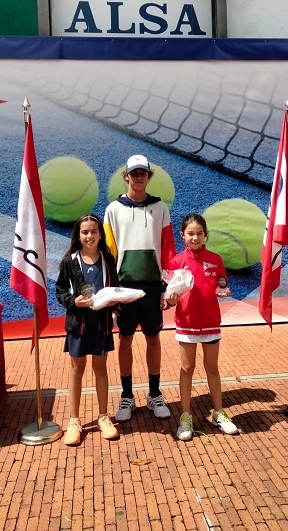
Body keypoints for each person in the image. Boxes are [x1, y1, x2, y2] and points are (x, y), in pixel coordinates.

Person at [104, 154, 176, 422]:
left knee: (153, 339)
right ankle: (127, 396)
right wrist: (112, 292)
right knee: (124, 339)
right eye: (133, 173)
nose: (138, 177)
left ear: (149, 176)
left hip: (153, 288)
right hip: (124, 289)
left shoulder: (160, 208)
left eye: (142, 172)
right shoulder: (112, 210)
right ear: (126, 176)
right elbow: (109, 253)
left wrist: (169, 288)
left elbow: (168, 249)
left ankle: (155, 393)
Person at [165, 213, 239, 441]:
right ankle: (185, 416)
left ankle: (219, 413)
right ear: (182, 236)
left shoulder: (215, 259)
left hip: (209, 322)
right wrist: (171, 300)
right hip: (186, 323)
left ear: (205, 234)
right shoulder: (176, 262)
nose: (195, 238)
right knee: (187, 368)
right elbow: (169, 300)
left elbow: (221, 285)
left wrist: (223, 292)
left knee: (212, 368)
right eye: (190, 234)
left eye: (199, 233)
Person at [56, 214, 120, 445]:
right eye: (85, 232)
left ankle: (104, 416)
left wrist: (115, 301)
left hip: (101, 323)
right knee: (76, 370)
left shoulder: (107, 259)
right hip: (78, 324)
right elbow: (60, 291)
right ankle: (74, 421)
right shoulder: (70, 261)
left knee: (100, 369)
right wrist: (74, 302)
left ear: (100, 234)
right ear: (78, 235)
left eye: (94, 231)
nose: (89, 236)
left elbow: (115, 287)